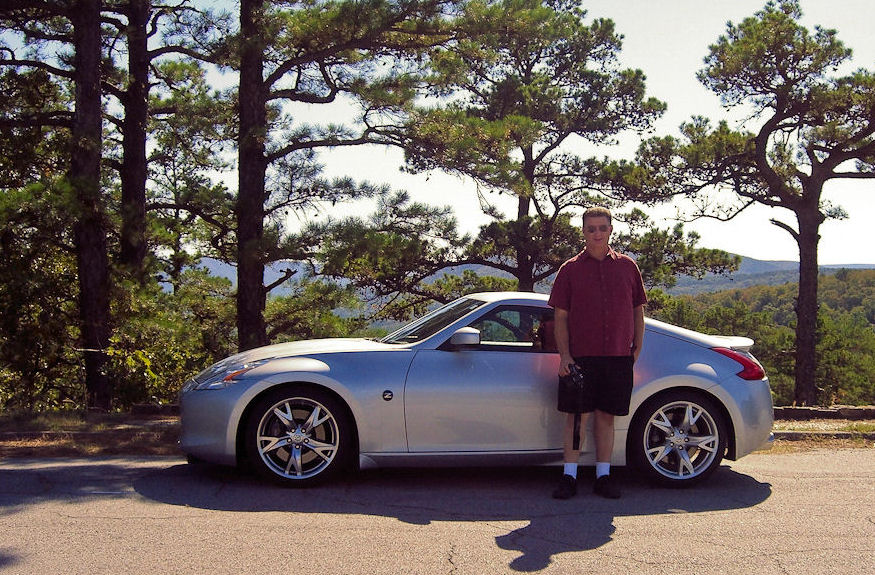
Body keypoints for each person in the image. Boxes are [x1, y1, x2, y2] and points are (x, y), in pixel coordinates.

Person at [548, 206, 646, 500]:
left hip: (617, 357)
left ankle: (603, 476)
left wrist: (636, 349)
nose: (597, 233)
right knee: (577, 418)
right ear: (583, 232)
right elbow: (560, 318)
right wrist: (565, 356)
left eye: (602, 228)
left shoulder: (628, 267)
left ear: (611, 229)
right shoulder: (570, 270)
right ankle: (569, 476)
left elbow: (637, 311)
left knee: (606, 418)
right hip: (580, 358)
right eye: (591, 229)